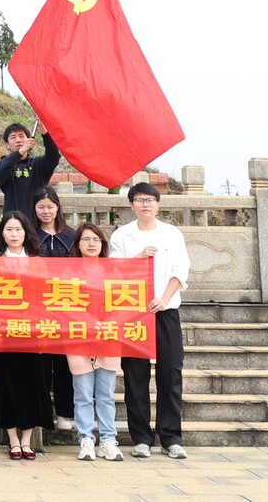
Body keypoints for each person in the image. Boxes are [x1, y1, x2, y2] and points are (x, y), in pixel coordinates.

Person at [112, 181, 190, 460]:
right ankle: (142, 438)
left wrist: (164, 299)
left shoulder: (172, 234)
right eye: (139, 199)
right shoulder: (122, 235)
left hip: (166, 310)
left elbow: (181, 271)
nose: (145, 204)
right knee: (136, 376)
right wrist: (138, 257)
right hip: (134, 313)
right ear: (131, 205)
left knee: (170, 373)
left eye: (150, 199)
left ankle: (171, 437)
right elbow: (114, 271)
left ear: (158, 205)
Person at [0, 210, 54, 459]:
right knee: (7, 385)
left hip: (32, 332)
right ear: (2, 233)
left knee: (32, 385)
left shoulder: (38, 262)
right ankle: (13, 440)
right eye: (9, 229)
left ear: (26, 232)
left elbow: (46, 297)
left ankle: (26, 440)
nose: (14, 234)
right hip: (4, 331)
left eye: (18, 229)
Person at [67, 221, 121, 460]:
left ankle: (108, 440)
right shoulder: (68, 272)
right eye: (86, 239)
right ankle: (86, 438)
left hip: (108, 337)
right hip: (78, 337)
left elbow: (123, 304)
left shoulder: (113, 271)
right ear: (78, 244)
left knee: (106, 393)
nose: (91, 244)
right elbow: (62, 306)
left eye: (96, 239)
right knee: (83, 394)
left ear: (103, 244)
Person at [30, 186, 77, 427]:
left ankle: (65, 413)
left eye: (50, 207)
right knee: (41, 361)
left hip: (66, 306)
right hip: (37, 307)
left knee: (63, 362)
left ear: (58, 207)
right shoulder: (29, 235)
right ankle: (43, 412)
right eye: (41, 207)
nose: (45, 211)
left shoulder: (72, 235)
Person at [0, 122, 62, 219]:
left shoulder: (38, 164)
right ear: (7, 144)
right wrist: (21, 151)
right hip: (14, 224)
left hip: (37, 223)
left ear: (29, 140)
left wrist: (44, 130)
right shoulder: (3, 165)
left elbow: (54, 156)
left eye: (21, 136)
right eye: (13, 137)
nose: (18, 140)